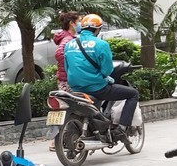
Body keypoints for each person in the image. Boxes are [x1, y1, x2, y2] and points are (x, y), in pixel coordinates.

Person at [64, 13, 140, 142]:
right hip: (97, 88)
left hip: (75, 88)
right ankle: (121, 129)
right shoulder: (101, 44)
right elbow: (107, 70)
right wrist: (105, 78)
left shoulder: (69, 45)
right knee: (133, 94)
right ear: (98, 29)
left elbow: (67, 68)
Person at [49, 11, 82, 151]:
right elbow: (60, 54)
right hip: (68, 80)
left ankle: (57, 139)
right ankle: (57, 140)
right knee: (71, 109)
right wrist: (71, 66)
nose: (81, 23)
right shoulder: (68, 39)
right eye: (79, 21)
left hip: (63, 79)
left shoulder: (67, 37)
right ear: (72, 23)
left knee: (64, 108)